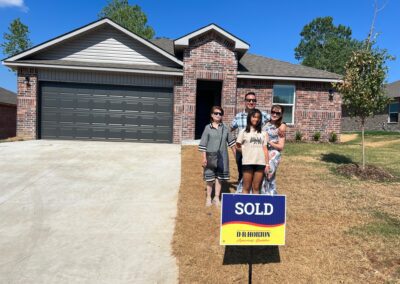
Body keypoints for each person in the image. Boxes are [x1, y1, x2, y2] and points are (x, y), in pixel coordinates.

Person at [199, 106, 236, 207]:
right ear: (212, 115)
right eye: (216, 113)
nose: (218, 115)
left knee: (219, 178)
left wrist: (236, 156)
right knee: (210, 179)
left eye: (220, 113)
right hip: (210, 157)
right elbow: (203, 144)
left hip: (222, 157)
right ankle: (208, 198)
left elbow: (232, 143)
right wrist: (204, 158)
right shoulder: (207, 128)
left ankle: (216, 197)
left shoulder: (225, 128)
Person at [231, 92, 270, 183]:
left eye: (253, 100)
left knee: (257, 174)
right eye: (249, 100)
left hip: (257, 150)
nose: (251, 102)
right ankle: (242, 193)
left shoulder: (261, 115)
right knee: (242, 172)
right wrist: (232, 145)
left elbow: (275, 119)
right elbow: (230, 129)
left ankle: (254, 192)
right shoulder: (238, 116)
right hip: (242, 150)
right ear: (245, 102)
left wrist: (281, 126)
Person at [235, 109, 270, 194]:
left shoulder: (263, 133)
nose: (256, 119)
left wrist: (267, 164)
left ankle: (255, 205)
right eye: (254, 117)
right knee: (246, 187)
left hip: (260, 163)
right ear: (249, 117)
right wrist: (245, 151)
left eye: (258, 117)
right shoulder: (243, 131)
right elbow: (237, 145)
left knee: (256, 187)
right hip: (248, 162)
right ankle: (244, 204)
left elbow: (265, 149)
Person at [263, 105, 286, 195]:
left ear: (281, 115)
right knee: (262, 175)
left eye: (277, 113)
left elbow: (281, 146)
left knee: (268, 173)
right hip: (262, 151)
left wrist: (269, 142)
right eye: (273, 112)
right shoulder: (265, 123)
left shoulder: (281, 127)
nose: (275, 114)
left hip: (273, 153)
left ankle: (270, 195)